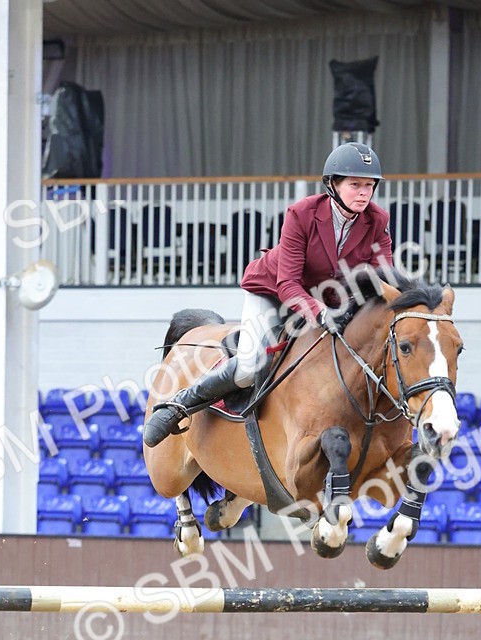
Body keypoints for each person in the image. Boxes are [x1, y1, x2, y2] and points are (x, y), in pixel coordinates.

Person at [143, 142, 394, 447]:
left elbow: (382, 280)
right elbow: (287, 283)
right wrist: (320, 313)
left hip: (327, 302)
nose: (364, 193)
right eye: (355, 185)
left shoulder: (377, 220)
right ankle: (179, 404)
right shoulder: (302, 214)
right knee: (249, 367)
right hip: (273, 292)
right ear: (332, 184)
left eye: (369, 185)